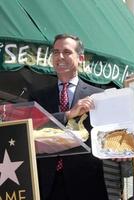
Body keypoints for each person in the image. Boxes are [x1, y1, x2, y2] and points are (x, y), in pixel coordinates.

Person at [29, 34, 108, 200]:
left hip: (87, 186)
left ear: (80, 58)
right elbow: (33, 128)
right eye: (56, 52)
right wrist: (68, 114)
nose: (60, 57)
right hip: (46, 186)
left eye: (66, 52)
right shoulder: (37, 98)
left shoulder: (99, 96)